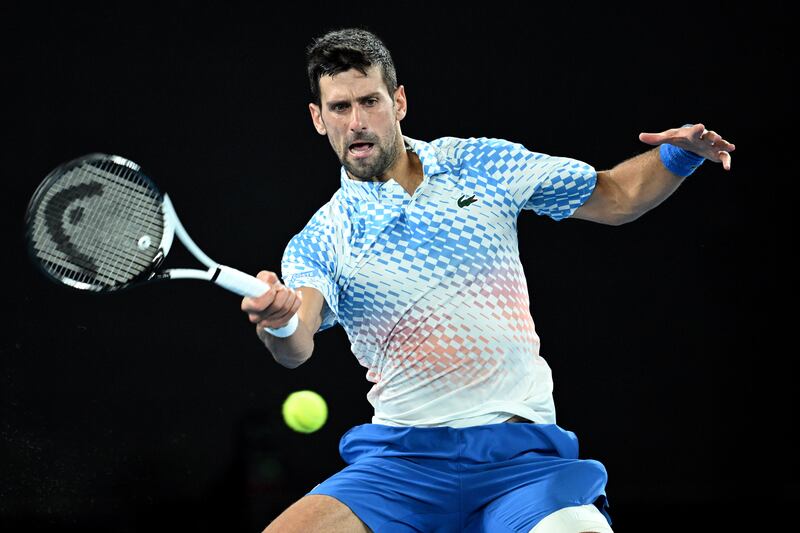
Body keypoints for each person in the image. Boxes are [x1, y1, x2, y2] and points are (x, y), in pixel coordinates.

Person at [240, 28, 734, 533]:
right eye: (340, 108)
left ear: (400, 101)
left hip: (519, 463)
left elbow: (616, 195)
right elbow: (298, 338)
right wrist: (277, 322)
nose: (358, 122)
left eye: (370, 101)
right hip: (400, 468)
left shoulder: (478, 164)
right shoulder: (323, 237)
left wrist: (679, 155)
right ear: (318, 119)